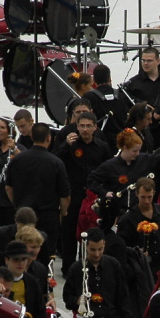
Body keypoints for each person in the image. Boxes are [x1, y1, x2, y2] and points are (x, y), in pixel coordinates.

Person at [5, 122, 71, 265]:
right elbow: (64, 195)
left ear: (32, 137)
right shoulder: (56, 162)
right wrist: (63, 213)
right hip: (48, 216)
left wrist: (17, 205)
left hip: (23, 216)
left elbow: (8, 188)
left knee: (22, 254)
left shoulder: (18, 160)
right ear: (49, 138)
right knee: (47, 256)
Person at [55, 111, 111, 273]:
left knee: (93, 231)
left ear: (95, 127)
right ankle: (68, 268)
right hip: (74, 195)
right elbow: (55, 160)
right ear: (77, 126)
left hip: (94, 197)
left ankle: (90, 266)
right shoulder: (70, 145)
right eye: (82, 126)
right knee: (69, 232)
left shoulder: (102, 146)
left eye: (88, 126)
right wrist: (66, 145)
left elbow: (108, 170)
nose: (85, 129)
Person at [86, 128, 160, 215]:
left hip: (140, 211)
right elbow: (91, 180)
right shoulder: (109, 166)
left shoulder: (144, 159)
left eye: (139, 150)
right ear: (124, 148)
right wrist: (104, 192)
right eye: (134, 151)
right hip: (118, 212)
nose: (137, 154)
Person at [116, 177, 160, 277]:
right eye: (143, 197)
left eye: (149, 197)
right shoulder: (127, 219)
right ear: (136, 194)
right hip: (140, 269)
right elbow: (122, 248)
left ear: (154, 193)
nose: (146, 201)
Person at [83, 65, 126, 151]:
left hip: (99, 144)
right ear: (109, 78)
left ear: (94, 80)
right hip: (121, 142)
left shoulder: (88, 97)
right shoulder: (121, 94)